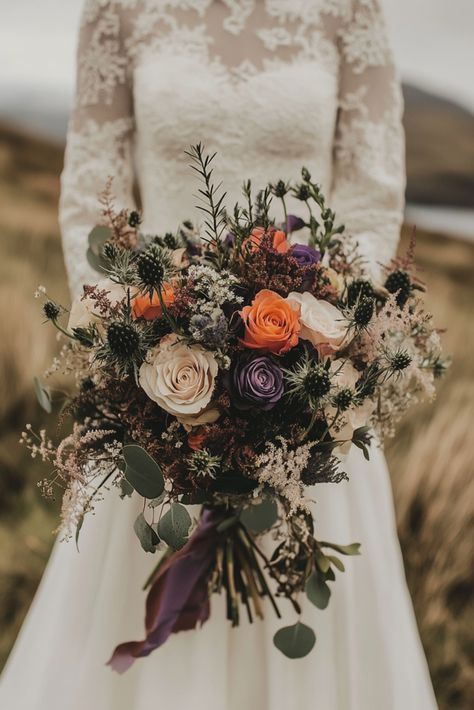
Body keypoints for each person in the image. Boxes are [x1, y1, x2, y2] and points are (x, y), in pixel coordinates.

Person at [0, 1, 438, 707]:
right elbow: (91, 195)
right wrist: (141, 350)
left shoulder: (349, 9)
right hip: (154, 385)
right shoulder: (118, 9)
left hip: (312, 385)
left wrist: (315, 359)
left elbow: (371, 199)